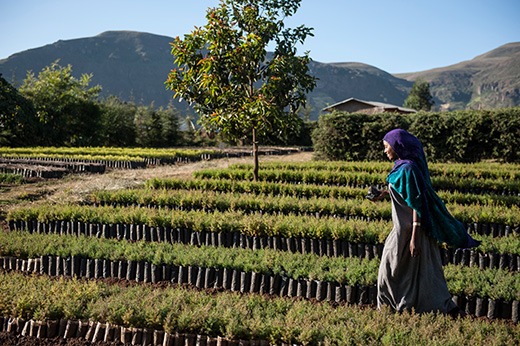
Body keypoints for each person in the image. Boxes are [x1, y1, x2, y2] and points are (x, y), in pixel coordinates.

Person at [372, 128, 479, 315]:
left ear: (397, 146)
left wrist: (414, 236)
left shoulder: (409, 169)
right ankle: (394, 308)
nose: (385, 151)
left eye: (386, 147)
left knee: (415, 274)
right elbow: (406, 191)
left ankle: (417, 308)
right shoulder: (401, 166)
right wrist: (382, 194)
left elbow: (417, 204)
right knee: (391, 271)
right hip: (400, 229)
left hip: (410, 231)